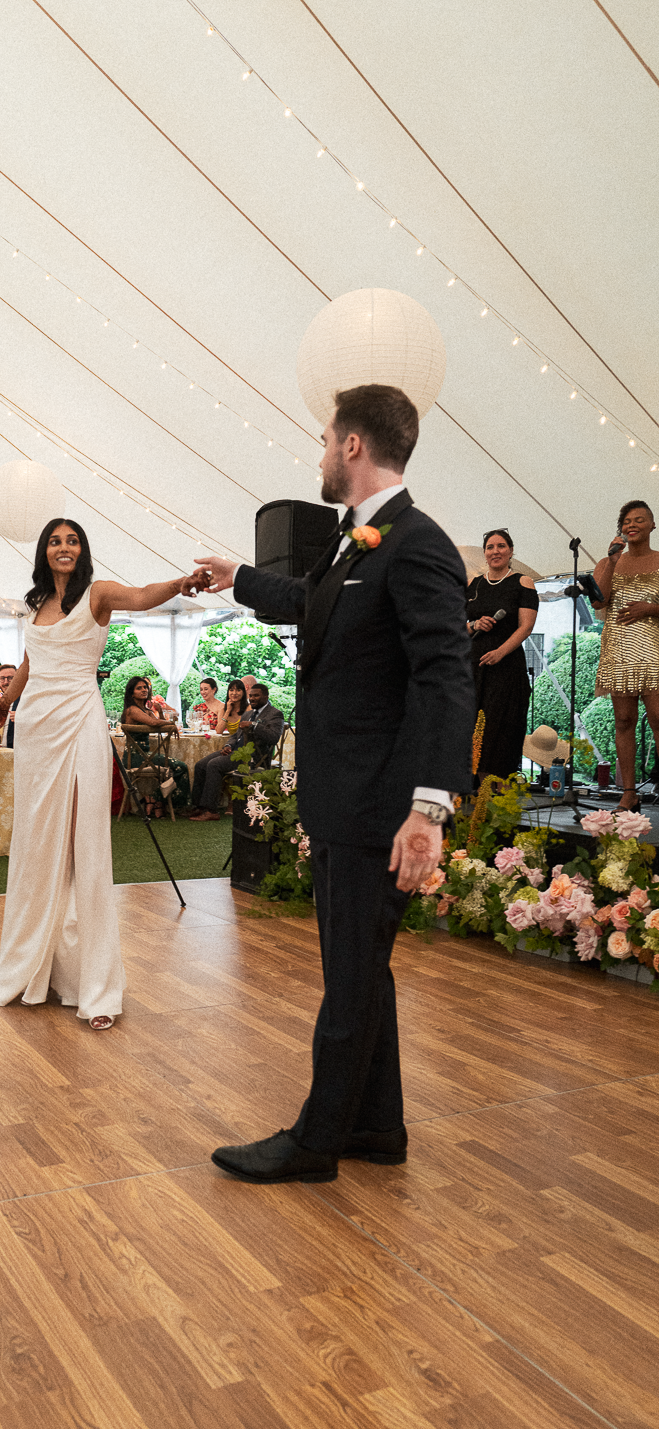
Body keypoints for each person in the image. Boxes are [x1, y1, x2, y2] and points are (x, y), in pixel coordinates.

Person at [195, 382, 474, 1184]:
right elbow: (313, 602)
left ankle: (316, 1142)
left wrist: (426, 807)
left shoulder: (416, 544)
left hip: (376, 804)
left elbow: (445, 679)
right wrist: (238, 576)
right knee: (360, 967)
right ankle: (377, 1128)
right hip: (344, 795)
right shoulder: (357, 541)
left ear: (352, 447)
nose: (318, 453)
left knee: (349, 974)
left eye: (324, 440)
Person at [0, 517, 208, 1029]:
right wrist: (3, 703)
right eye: (55, 541)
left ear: (82, 551)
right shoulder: (35, 603)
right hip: (36, 729)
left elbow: (143, 595)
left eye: (72, 540)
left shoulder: (98, 594)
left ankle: (96, 986)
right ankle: (31, 967)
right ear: (44, 552)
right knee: (38, 844)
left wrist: (178, 584)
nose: (64, 547)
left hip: (80, 724)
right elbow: (28, 662)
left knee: (86, 843)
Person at [593, 501, 659, 811]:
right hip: (619, 651)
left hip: (654, 650)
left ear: (652, 526)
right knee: (623, 720)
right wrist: (611, 561)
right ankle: (629, 792)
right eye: (627, 521)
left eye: (640, 520)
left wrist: (651, 608)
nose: (632, 525)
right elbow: (598, 602)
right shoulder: (609, 562)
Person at [466, 529, 539, 780]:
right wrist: (474, 625)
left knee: (501, 727)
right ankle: (472, 789)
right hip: (474, 665)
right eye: (490, 547)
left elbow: (526, 627)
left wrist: (500, 652)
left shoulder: (522, 582)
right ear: (484, 553)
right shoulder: (474, 584)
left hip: (506, 667)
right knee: (470, 724)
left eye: (501, 546)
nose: (495, 551)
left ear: (510, 551)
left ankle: (498, 788)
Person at [189, 682, 283, 821]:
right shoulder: (248, 714)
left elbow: (273, 737)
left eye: (256, 696)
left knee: (214, 765)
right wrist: (228, 745)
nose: (252, 699)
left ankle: (211, 810)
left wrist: (254, 725)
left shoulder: (275, 714)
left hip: (254, 756)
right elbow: (236, 735)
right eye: (251, 696)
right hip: (235, 751)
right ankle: (198, 807)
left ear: (265, 696)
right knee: (201, 765)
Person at [120, 675, 190, 814]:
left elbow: (159, 724)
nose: (144, 690)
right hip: (134, 757)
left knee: (179, 767)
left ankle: (154, 799)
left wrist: (162, 712)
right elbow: (153, 723)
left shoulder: (148, 711)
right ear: (131, 692)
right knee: (180, 767)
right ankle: (161, 801)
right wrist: (171, 725)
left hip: (147, 756)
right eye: (139, 688)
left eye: (145, 687)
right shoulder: (132, 710)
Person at [0, 663, 20, 748]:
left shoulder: (26, 699)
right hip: (2, 753)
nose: (6, 682)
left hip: (19, 753)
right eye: (2, 678)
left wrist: (23, 717)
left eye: (10, 678)